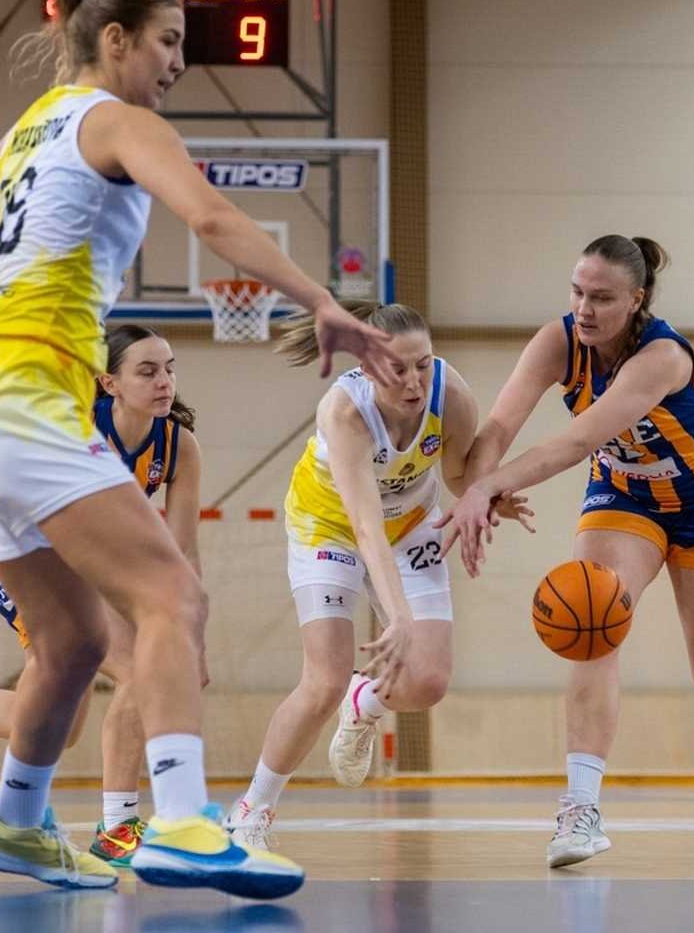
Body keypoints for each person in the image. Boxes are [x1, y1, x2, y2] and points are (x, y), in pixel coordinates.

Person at [0, 0, 402, 894]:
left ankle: (16, 821)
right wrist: (321, 302)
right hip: (30, 396)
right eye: (168, 40)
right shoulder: (120, 121)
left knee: (72, 643)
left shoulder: (25, 132)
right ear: (115, 41)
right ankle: (181, 820)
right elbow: (212, 216)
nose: (179, 61)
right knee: (173, 597)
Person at [440, 236, 694, 868]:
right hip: (626, 494)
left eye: (603, 298)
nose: (584, 309)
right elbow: (498, 427)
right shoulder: (559, 341)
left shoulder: (661, 356)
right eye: (577, 292)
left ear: (636, 299)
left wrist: (489, 487)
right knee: (592, 621)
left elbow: (573, 441)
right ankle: (581, 809)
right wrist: (475, 488)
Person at [0, 323, 203, 868]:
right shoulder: (74, 424)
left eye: (169, 369)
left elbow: (182, 550)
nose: (164, 382)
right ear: (109, 382)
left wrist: (191, 633)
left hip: (97, 575)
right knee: (139, 670)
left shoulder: (177, 444)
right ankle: (118, 826)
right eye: (147, 371)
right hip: (32, 569)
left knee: (59, 725)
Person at [222, 302, 534, 849]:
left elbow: (456, 475)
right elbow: (365, 528)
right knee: (324, 680)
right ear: (367, 368)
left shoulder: (450, 395)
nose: (414, 381)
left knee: (429, 681)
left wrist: (485, 497)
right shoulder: (345, 412)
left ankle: (363, 702)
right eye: (398, 369)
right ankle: (253, 809)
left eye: (423, 364)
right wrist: (400, 618)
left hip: (410, 524)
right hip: (329, 527)